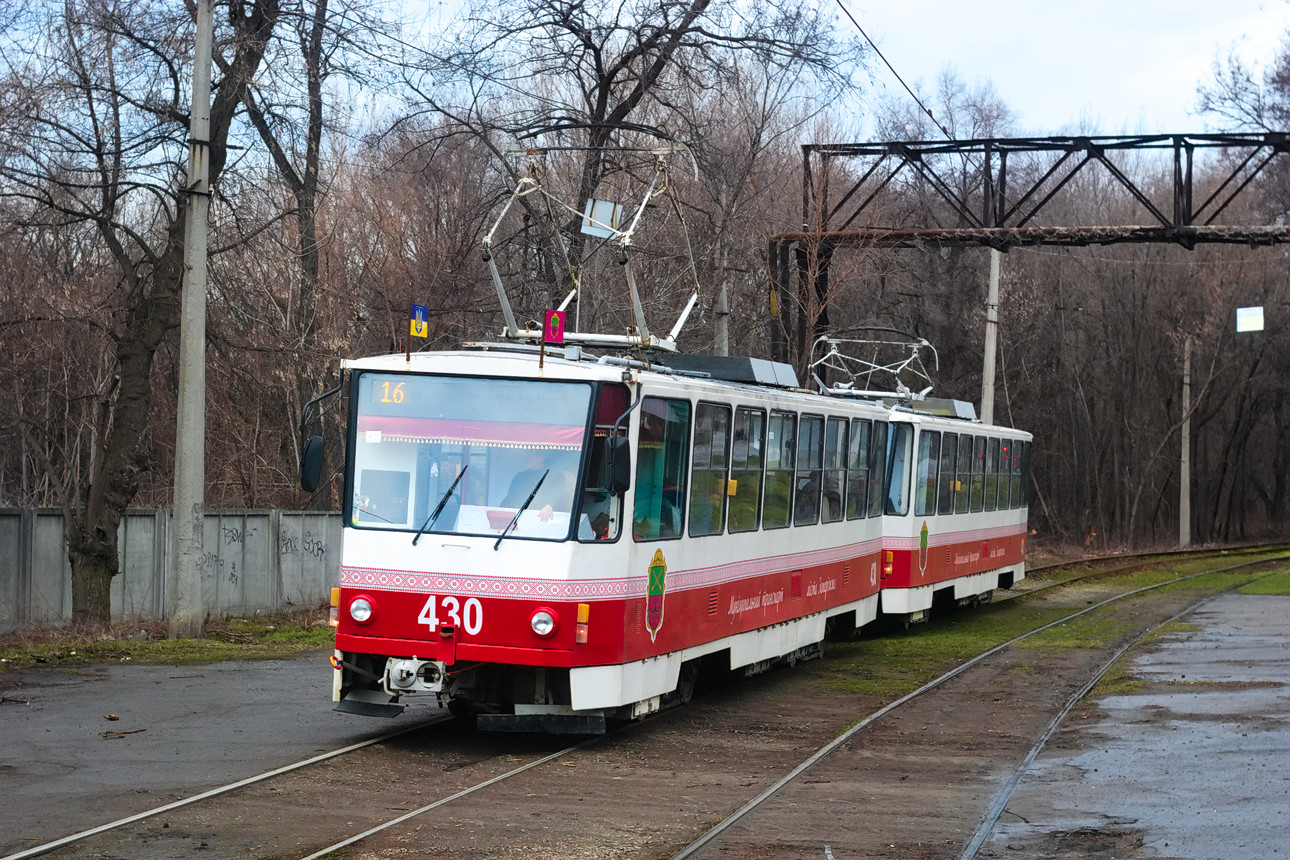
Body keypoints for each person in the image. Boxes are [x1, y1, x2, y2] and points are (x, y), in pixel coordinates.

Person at [501, 450, 573, 522]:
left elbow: (559, 500)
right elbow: (509, 500)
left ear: (541, 458)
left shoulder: (554, 478)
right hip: (519, 521)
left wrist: (550, 506)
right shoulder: (519, 478)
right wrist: (499, 511)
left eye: (530, 455)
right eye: (527, 455)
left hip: (543, 522)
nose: (526, 458)